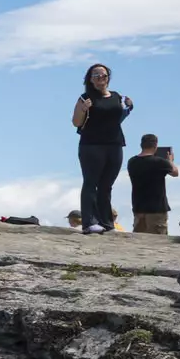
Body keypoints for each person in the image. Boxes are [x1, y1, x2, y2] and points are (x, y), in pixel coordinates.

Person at [70, 63, 133, 234]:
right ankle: (89, 223)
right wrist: (83, 109)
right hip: (91, 144)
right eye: (96, 76)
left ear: (108, 78)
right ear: (90, 79)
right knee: (91, 183)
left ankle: (107, 223)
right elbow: (76, 122)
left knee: (107, 185)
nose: (100, 79)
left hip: (114, 144)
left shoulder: (116, 96)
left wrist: (129, 106)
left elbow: (117, 118)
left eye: (103, 75)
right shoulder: (85, 97)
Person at [126, 135, 179, 235]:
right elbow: (175, 173)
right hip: (156, 209)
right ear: (155, 146)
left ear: (141, 145)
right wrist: (170, 161)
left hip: (138, 208)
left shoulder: (132, 162)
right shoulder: (160, 162)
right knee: (158, 240)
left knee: (138, 241)